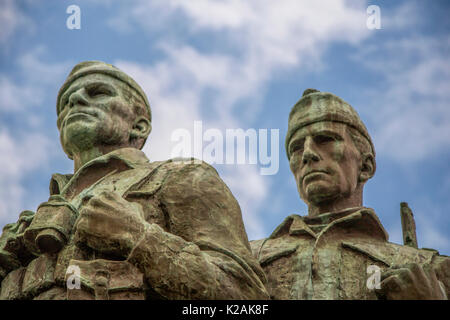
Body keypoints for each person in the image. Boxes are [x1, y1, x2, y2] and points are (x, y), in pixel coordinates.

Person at [0, 61, 269, 300]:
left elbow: (245, 296)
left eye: (98, 92)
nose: (77, 101)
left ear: (138, 126)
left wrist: (137, 236)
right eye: (67, 103)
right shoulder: (30, 223)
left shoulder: (182, 176)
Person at [250, 89, 449, 300]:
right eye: (296, 148)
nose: (307, 153)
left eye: (325, 139)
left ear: (365, 166)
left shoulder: (434, 269)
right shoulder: (247, 258)